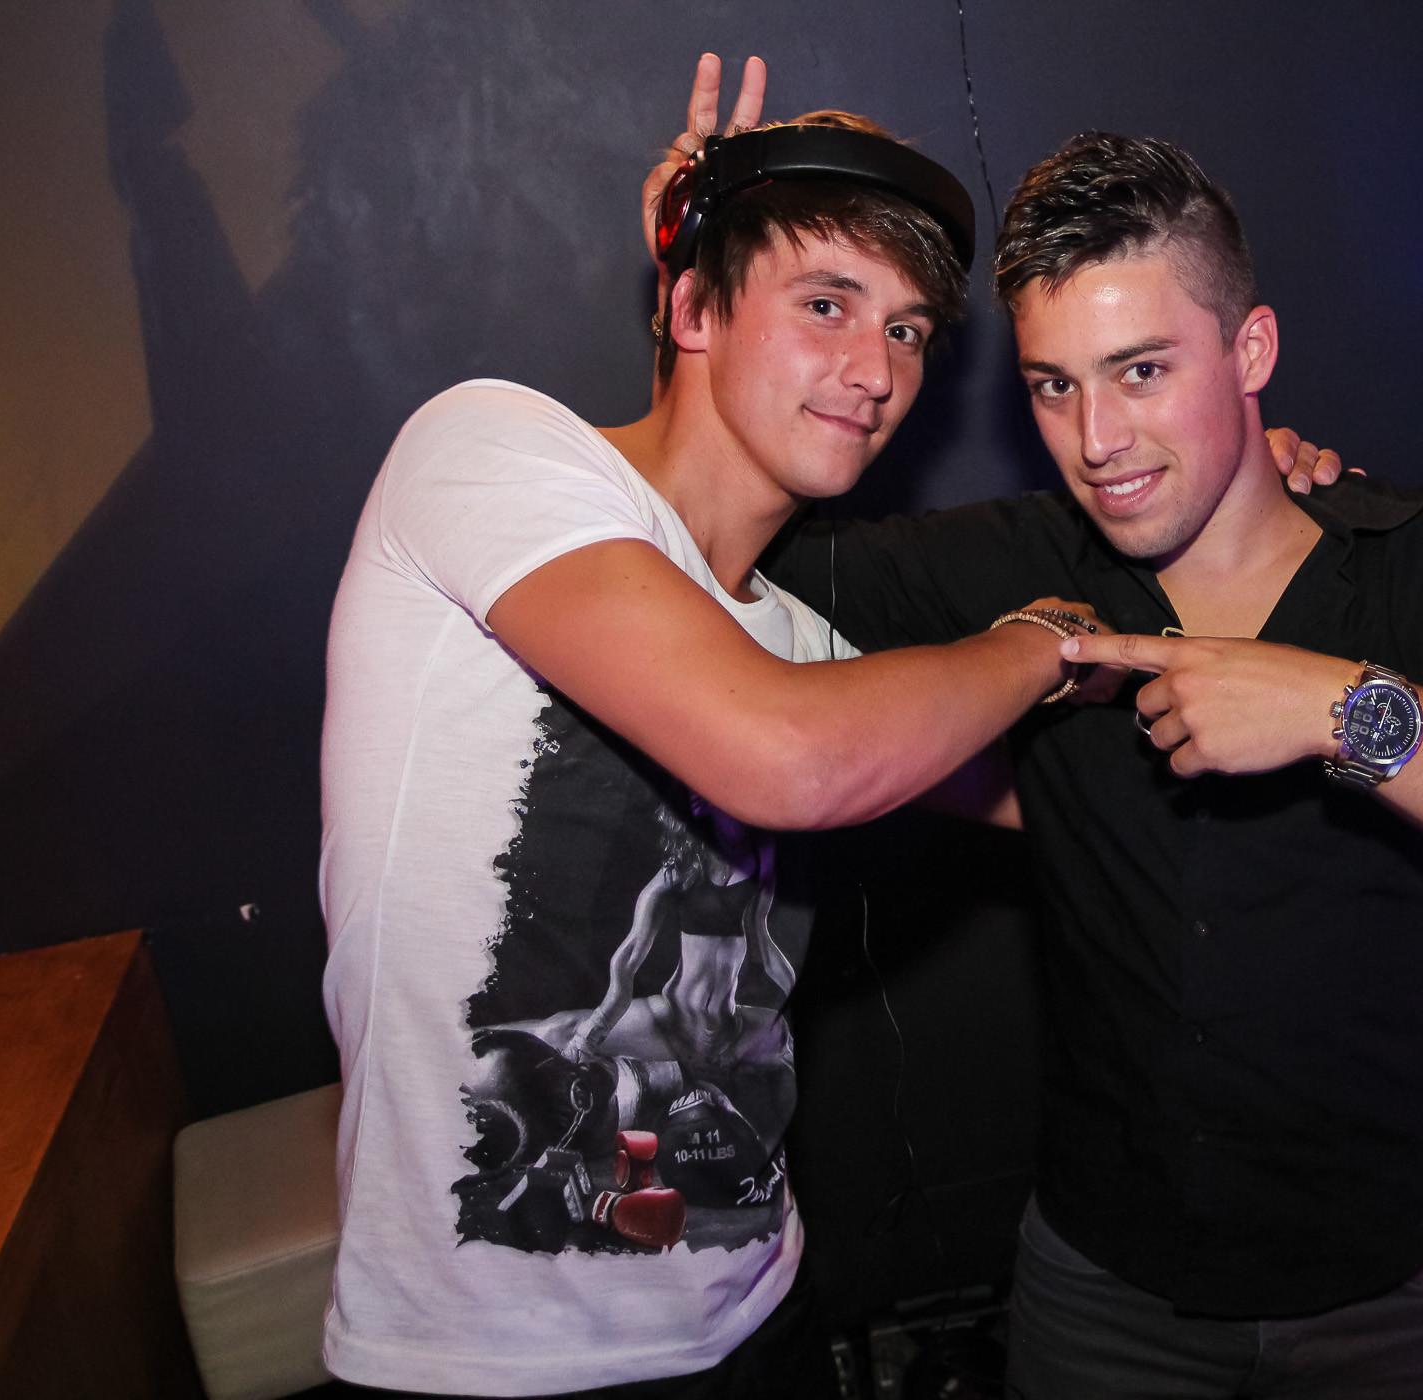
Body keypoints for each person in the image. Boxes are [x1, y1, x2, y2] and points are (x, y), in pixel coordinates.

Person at [320, 56, 1331, 1398]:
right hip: (482, 1363)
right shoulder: (490, 450)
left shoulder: (801, 647)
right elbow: (790, 757)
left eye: (907, 331)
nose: (874, 370)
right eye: (825, 304)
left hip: (756, 1312)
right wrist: (1040, 639)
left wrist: (1241, 499)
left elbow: (1083, 792)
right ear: (691, 306)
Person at [762, 132, 1423, 1397]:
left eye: (1143, 370)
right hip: (1105, 1291)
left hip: (1381, 1296)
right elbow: (722, 551)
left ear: (1250, 351)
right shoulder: (1017, 565)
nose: (1099, 437)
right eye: (1053, 386)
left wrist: (1343, 708)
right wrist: (708, 284)